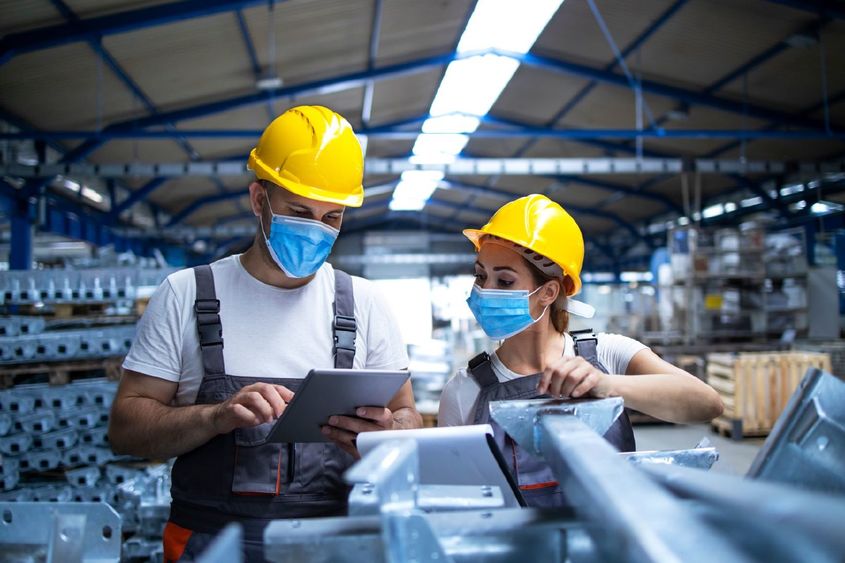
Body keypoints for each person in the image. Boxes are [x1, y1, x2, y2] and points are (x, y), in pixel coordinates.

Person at [108, 105, 422, 562]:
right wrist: (214, 418)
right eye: (299, 211)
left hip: (335, 544)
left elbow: (408, 418)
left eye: (331, 217)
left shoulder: (365, 304)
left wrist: (383, 434)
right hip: (211, 544)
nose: (316, 230)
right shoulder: (187, 294)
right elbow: (126, 429)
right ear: (259, 200)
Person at [438, 194, 723, 507]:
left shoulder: (608, 355)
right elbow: (457, 502)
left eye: (504, 280)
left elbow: (706, 404)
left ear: (548, 292)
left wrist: (606, 385)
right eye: (480, 276)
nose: (484, 291)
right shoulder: (464, 390)